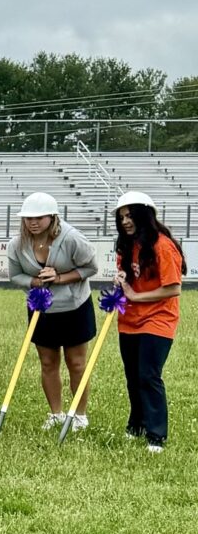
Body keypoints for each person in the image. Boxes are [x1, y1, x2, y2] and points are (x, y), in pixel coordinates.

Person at [6, 192, 99, 431]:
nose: (33, 222)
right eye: (28, 218)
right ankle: (56, 413)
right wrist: (35, 282)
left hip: (74, 306)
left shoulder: (71, 238)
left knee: (76, 363)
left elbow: (91, 267)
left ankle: (79, 415)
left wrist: (59, 278)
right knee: (47, 362)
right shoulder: (17, 244)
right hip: (41, 308)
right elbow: (15, 275)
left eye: (39, 217)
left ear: (52, 217)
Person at [113, 191, 185, 453]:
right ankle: (137, 425)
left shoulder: (163, 245)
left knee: (148, 375)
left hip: (158, 320)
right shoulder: (127, 244)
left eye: (130, 215)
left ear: (144, 215)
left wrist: (135, 295)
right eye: (122, 217)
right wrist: (121, 281)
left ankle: (156, 435)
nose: (126, 221)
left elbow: (173, 288)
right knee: (132, 376)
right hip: (129, 319)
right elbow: (129, 276)